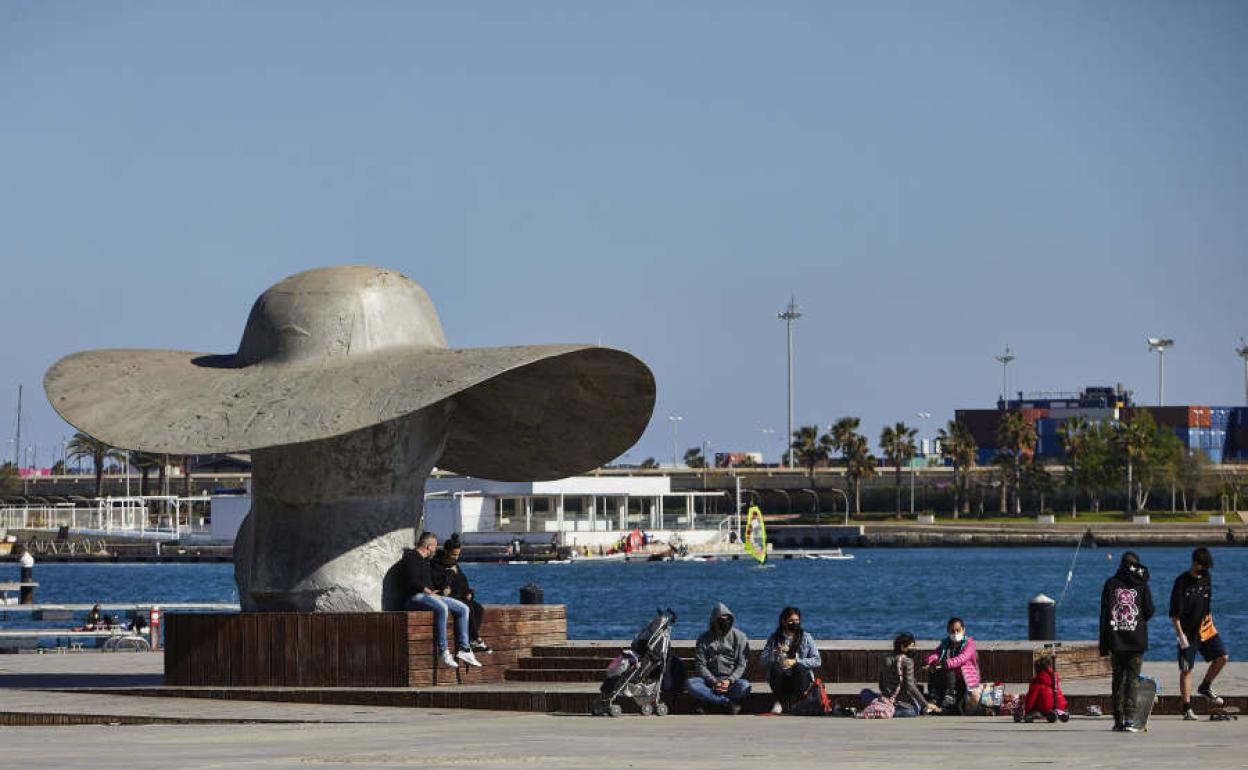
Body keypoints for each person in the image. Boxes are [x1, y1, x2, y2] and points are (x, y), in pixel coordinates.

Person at [405, 531, 482, 669]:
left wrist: (437, 592)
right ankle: (444, 651)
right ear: (429, 546)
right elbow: (412, 581)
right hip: (414, 597)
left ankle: (464, 648)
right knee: (442, 607)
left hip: (430, 595)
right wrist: (429, 592)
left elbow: (431, 583)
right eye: (434, 547)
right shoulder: (412, 557)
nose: (436, 550)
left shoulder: (425, 561)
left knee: (463, 608)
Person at [1169, 547, 1229, 720]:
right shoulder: (1181, 582)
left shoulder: (1207, 577)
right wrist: (1181, 636)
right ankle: (1186, 708)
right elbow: (1174, 614)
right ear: (1195, 563)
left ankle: (1205, 686)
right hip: (1186, 632)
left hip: (1206, 627)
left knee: (1222, 657)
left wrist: (1210, 624)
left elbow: (1207, 604)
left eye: (1206, 567)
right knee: (1187, 669)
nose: (1204, 570)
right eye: (1202, 566)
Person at [1099, 550, 1154, 733]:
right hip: (1136, 640)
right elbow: (1149, 610)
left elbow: (1104, 615)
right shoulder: (1142, 584)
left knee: (1117, 679)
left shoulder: (1110, 583)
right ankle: (1130, 719)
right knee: (1132, 680)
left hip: (1116, 640)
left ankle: (1118, 719)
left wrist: (1104, 645)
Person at [687, 602, 751, 714]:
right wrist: (714, 681)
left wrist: (729, 681)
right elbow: (700, 665)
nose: (725, 623)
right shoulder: (703, 639)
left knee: (744, 686)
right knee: (691, 684)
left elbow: (742, 664)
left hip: (731, 682)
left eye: (727, 620)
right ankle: (725, 702)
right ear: (714, 621)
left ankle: (708, 700)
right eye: (721, 620)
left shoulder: (740, 637)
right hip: (709, 681)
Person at [432, 533, 491, 654]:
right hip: (446, 597)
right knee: (467, 607)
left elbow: (462, 581)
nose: (456, 558)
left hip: (459, 595)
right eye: (453, 554)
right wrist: (450, 573)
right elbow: (444, 587)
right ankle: (475, 639)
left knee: (478, 608)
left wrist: (468, 592)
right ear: (446, 552)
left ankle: (472, 640)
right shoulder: (435, 565)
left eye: (458, 554)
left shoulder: (454, 564)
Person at [759, 606, 821, 714]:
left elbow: (817, 660)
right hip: (782, 678)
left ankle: (798, 700)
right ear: (783, 622)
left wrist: (797, 661)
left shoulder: (806, 637)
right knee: (775, 668)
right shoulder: (775, 638)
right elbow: (762, 661)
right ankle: (780, 701)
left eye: (797, 620)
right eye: (791, 621)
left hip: (800, 679)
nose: (794, 623)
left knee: (799, 668)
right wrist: (774, 653)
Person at [924, 617, 981, 714]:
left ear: (963, 629)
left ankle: (950, 698)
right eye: (952, 631)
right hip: (948, 677)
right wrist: (930, 661)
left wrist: (944, 663)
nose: (955, 633)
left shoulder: (969, 644)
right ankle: (934, 698)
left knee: (950, 668)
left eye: (958, 630)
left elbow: (962, 659)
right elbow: (936, 653)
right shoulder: (945, 643)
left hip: (965, 679)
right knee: (933, 669)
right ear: (948, 631)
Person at [874, 633, 938, 717]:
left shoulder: (886, 658)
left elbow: (881, 684)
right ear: (902, 647)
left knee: (865, 692)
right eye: (911, 646)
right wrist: (925, 704)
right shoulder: (907, 661)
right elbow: (910, 686)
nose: (914, 649)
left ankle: (881, 707)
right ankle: (888, 711)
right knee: (914, 710)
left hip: (886, 699)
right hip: (902, 703)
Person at [1018, 656, 1069, 723]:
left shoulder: (1038, 682)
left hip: (1045, 707)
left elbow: (1031, 699)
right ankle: (1061, 713)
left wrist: (1027, 710)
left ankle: (1040, 714)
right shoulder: (1054, 679)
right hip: (1060, 705)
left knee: (1034, 711)